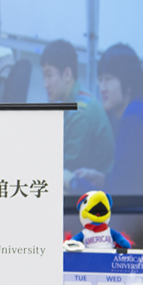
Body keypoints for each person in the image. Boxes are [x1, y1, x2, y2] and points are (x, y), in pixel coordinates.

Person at [74, 43, 143, 195]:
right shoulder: (136, 114)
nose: (102, 87)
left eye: (109, 79)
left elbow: (117, 200)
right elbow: (128, 183)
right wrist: (102, 179)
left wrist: (72, 183)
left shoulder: (135, 121)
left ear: (129, 84)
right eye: (101, 80)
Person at [39, 39, 114, 191]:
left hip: (95, 195)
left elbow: (66, 168)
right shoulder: (77, 98)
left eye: (49, 75)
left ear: (67, 74)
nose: (45, 84)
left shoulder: (81, 113)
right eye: (44, 76)